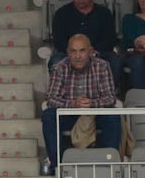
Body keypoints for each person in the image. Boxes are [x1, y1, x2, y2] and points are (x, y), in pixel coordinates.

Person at [41, 33, 121, 167]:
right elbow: (52, 99)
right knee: (48, 116)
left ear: (90, 51)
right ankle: (58, 165)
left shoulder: (102, 66)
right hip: (69, 113)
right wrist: (73, 104)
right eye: (73, 51)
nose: (77, 56)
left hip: (95, 113)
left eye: (82, 51)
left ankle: (110, 164)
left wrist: (92, 103)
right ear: (68, 52)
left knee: (112, 115)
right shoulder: (60, 67)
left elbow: (110, 97)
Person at [51, 0, 118, 73]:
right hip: (70, 54)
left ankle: (109, 89)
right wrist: (76, 53)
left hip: (98, 53)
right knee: (56, 61)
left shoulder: (104, 13)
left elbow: (109, 40)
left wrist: (90, 53)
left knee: (114, 61)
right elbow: (59, 42)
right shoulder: (61, 14)